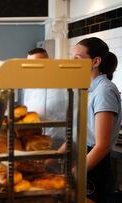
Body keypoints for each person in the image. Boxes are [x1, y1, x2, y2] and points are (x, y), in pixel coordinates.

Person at [58, 37, 121, 202]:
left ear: (96, 61)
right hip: (82, 156)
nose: (73, 62)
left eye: (77, 58)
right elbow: (79, 131)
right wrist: (53, 157)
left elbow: (102, 146)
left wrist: (73, 174)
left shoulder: (104, 91)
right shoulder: (86, 89)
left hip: (95, 164)